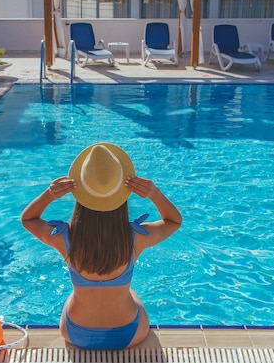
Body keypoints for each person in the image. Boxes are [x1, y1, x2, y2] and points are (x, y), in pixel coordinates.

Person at [21, 142, 182, 350]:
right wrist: (154, 194)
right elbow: (174, 221)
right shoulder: (136, 238)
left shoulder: (63, 238)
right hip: (129, 334)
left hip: (75, 333)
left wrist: (49, 194)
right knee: (131, 293)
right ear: (122, 197)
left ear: (80, 197)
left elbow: (28, 219)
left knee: (75, 295)